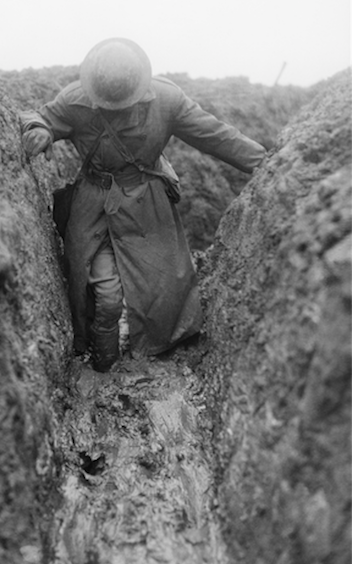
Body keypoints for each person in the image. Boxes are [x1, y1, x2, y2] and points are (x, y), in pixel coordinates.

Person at [20, 38, 266, 372]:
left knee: (162, 287)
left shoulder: (166, 100)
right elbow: (41, 115)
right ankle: (102, 360)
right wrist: (39, 128)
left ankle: (158, 349)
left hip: (146, 205)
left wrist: (266, 163)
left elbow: (217, 136)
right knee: (103, 294)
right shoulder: (76, 100)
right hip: (94, 206)